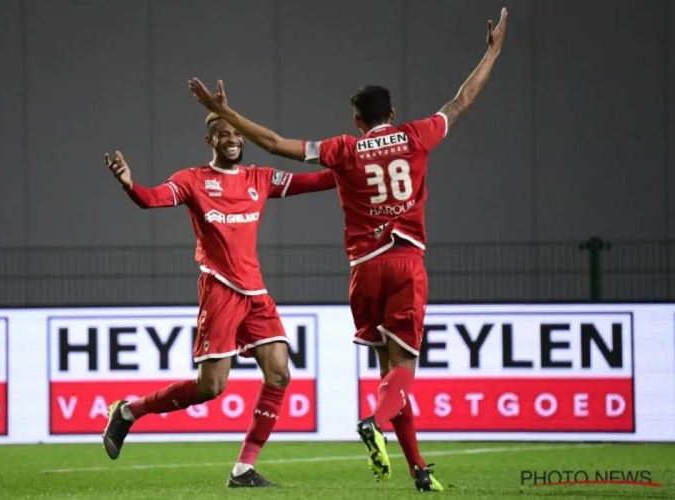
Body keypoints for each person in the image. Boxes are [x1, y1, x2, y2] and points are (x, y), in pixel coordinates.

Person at [187, 8, 508, 492]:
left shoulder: (344, 149)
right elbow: (461, 101)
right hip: (405, 263)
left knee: (387, 374)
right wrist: (493, 52)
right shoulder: (417, 135)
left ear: (357, 121)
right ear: (392, 115)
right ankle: (375, 424)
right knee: (403, 374)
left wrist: (228, 113)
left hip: (363, 272)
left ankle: (419, 470)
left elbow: (274, 143)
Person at [101, 112, 337, 488]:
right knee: (211, 388)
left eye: (236, 133)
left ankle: (243, 470)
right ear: (210, 141)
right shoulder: (192, 180)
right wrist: (130, 184)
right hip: (220, 289)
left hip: (256, 292)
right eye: (222, 133)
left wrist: (357, 165)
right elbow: (151, 200)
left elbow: (318, 180)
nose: (232, 138)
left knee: (279, 373)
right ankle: (128, 411)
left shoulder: (260, 177)